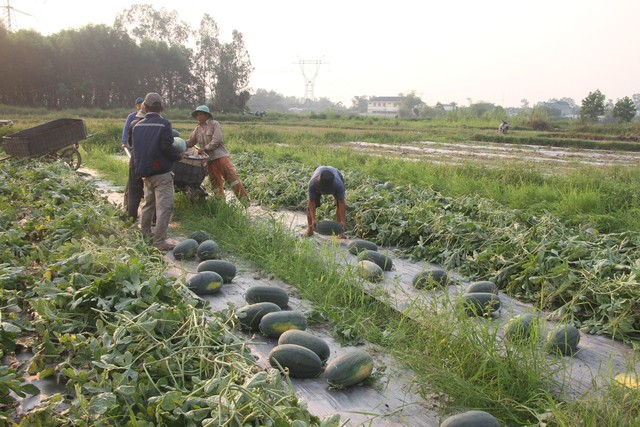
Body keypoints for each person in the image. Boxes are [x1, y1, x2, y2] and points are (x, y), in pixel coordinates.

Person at [131, 92, 183, 252]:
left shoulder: (136, 126)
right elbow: (167, 147)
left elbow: (137, 150)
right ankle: (159, 241)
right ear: (161, 108)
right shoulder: (164, 125)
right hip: (161, 173)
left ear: (145, 108)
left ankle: (145, 234)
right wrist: (177, 155)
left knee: (148, 205)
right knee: (165, 207)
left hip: (145, 173)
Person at [185, 105, 249, 204]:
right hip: (209, 160)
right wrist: (179, 143)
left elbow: (217, 140)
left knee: (232, 179)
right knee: (215, 182)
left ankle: (246, 203)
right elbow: (191, 142)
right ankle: (221, 205)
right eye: (197, 115)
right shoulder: (197, 129)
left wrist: (204, 148)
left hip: (220, 156)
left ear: (206, 115)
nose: (198, 117)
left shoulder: (214, 124)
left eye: (200, 114)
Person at [306, 166, 346, 237]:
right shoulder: (313, 184)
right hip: (318, 186)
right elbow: (311, 202)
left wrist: (343, 221)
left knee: (338, 204)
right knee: (310, 207)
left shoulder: (339, 185)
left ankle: (339, 231)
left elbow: (341, 203)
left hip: (335, 174)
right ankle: (310, 230)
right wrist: (313, 219)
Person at [121, 97, 145, 212]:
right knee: (133, 180)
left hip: (143, 152)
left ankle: (131, 209)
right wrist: (124, 142)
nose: (140, 106)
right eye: (138, 104)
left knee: (136, 179)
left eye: (142, 104)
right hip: (134, 149)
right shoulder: (132, 117)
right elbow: (127, 130)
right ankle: (127, 207)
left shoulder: (148, 118)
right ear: (136, 106)